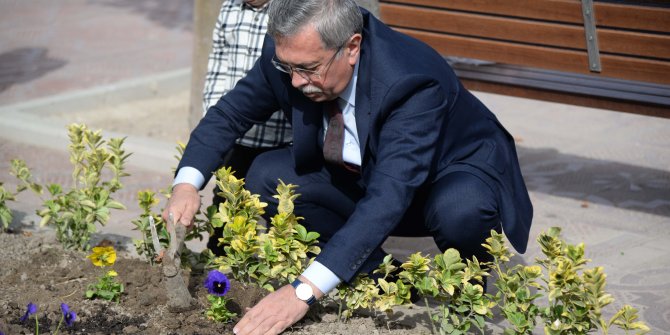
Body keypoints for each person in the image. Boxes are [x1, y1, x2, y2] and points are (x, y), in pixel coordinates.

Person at [164, 0, 533, 334]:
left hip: (447, 174)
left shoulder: (411, 81)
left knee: (461, 209)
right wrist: (186, 185)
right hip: (368, 172)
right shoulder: (292, 51)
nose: (295, 82)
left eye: (308, 69)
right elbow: (229, 114)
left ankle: (468, 291)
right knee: (266, 175)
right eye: (288, 68)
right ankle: (385, 274)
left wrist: (302, 291)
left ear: (352, 47)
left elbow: (390, 195)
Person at [202, 0, 292, 255]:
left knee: (279, 212)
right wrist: (213, 118)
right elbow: (217, 66)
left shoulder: (289, 10)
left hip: (279, 136)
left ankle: (277, 267)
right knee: (227, 205)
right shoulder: (230, 8)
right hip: (235, 135)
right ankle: (219, 262)